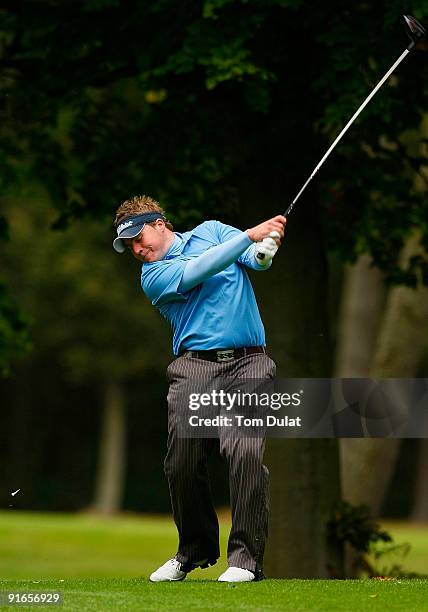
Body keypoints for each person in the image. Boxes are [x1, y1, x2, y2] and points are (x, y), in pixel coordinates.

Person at [113, 194, 286, 583]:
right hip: (195, 368)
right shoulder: (153, 277)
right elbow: (197, 271)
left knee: (244, 453)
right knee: (183, 462)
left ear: (160, 223)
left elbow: (254, 262)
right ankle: (194, 550)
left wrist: (265, 248)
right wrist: (248, 237)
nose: (138, 250)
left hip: (249, 362)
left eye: (139, 238)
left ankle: (245, 560)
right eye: (130, 247)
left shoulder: (212, 232)